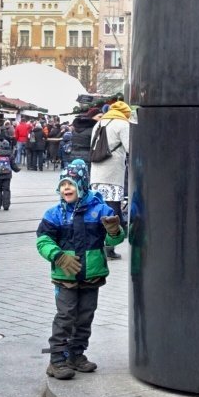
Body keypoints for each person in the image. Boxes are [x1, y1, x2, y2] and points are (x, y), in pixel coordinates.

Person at [35, 158, 125, 379]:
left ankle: (76, 354)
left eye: (71, 184)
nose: (66, 188)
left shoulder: (100, 210)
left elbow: (114, 241)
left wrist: (115, 231)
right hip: (65, 276)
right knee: (65, 316)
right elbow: (43, 240)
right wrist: (57, 256)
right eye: (63, 184)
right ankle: (56, 360)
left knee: (85, 316)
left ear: (82, 185)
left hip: (91, 275)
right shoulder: (55, 214)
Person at [88, 100, 132, 261]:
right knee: (112, 210)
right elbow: (131, 147)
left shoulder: (99, 123)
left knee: (98, 208)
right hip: (112, 174)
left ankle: (97, 245)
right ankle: (109, 247)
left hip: (96, 172)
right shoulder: (122, 124)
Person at [0, 129, 17, 211]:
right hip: (7, 174)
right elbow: (13, 165)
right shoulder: (10, 154)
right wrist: (17, 170)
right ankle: (6, 206)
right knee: (6, 189)